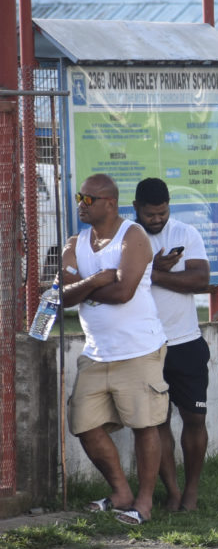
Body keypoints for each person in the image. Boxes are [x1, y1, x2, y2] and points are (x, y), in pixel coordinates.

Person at [61, 174, 168, 526]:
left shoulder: (132, 237)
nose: (81, 204)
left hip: (138, 349)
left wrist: (82, 291)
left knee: (145, 425)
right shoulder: (74, 244)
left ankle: (145, 503)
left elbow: (125, 293)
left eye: (88, 199)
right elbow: (61, 297)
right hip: (96, 352)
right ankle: (120, 492)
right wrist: (94, 281)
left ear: (110, 202)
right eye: (80, 197)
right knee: (83, 423)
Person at [132, 178, 211, 512]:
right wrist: (153, 269)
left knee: (194, 419)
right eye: (150, 214)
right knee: (156, 424)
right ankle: (173, 493)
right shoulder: (126, 237)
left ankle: (191, 491)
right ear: (136, 208)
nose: (156, 220)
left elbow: (199, 279)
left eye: (162, 213)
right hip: (144, 347)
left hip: (185, 343)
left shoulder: (185, 233)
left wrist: (151, 275)